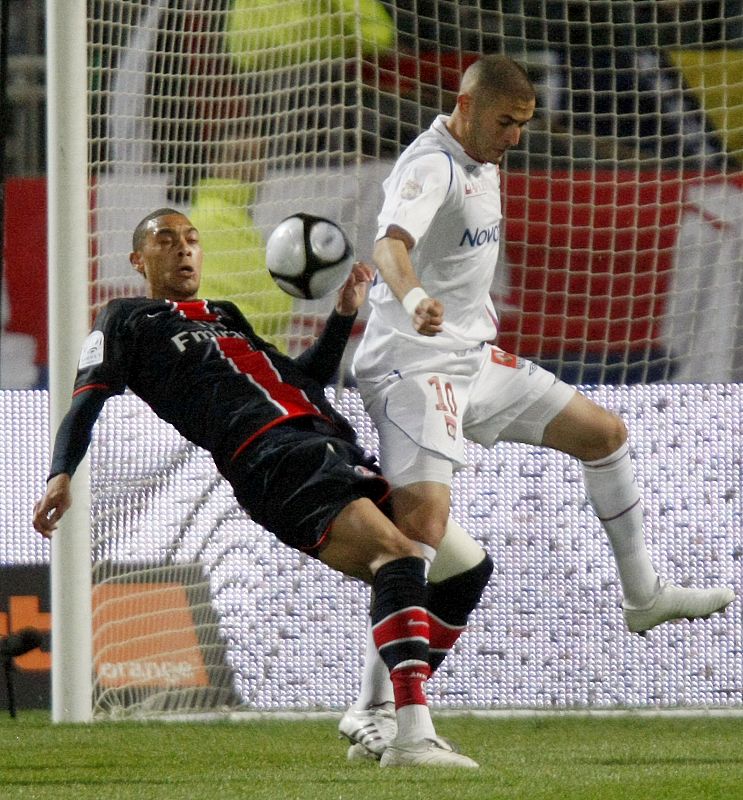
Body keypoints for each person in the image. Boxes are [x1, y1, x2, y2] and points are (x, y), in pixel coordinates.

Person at [338, 54, 735, 760]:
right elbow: (389, 245)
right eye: (504, 122)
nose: (515, 136)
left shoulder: (484, 158)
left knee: (603, 433)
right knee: (422, 529)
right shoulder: (428, 165)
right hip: (412, 363)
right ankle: (375, 711)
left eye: (523, 123)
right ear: (464, 106)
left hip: (471, 359)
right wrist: (412, 298)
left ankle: (642, 597)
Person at [32, 207, 479, 769]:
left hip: (329, 443)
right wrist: (60, 473)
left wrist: (342, 316)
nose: (184, 249)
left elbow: (302, 377)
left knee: (463, 569)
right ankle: (410, 733)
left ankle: (376, 711)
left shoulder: (225, 315)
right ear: (137, 260)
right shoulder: (125, 318)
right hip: (270, 459)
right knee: (399, 555)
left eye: (191, 240)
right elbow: (86, 398)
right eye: (166, 240)